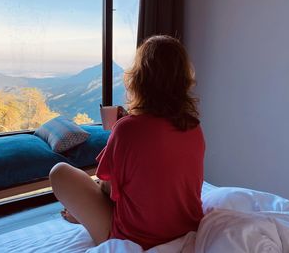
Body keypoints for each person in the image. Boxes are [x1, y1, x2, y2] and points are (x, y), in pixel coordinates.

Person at [49, 35, 205, 250]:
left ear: (139, 79)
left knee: (60, 172)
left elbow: (108, 190)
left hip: (136, 238)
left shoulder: (128, 128)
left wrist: (85, 209)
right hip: (186, 228)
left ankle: (82, 218)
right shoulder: (194, 128)